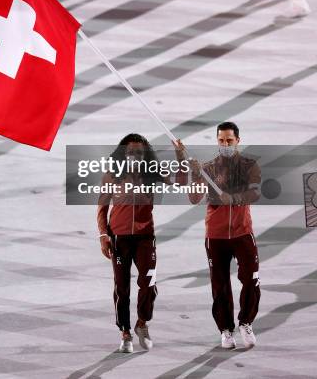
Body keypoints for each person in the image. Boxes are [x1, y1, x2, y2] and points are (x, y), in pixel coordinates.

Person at [174, 122, 261, 350]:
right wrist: (194, 173)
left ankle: (246, 322)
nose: (225, 145)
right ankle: (226, 329)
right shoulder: (208, 168)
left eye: (229, 141)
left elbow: (255, 193)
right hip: (216, 235)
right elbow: (193, 198)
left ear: (238, 141)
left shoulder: (249, 165)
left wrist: (233, 199)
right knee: (220, 285)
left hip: (243, 232)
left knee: (251, 279)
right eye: (221, 140)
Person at [97, 134, 162, 353]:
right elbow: (102, 208)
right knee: (121, 286)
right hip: (119, 237)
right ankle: (125, 332)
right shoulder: (112, 175)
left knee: (149, 282)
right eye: (131, 152)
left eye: (139, 152)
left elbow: (180, 182)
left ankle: (142, 323)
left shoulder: (152, 173)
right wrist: (103, 236)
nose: (135, 156)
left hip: (145, 236)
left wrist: (181, 157)